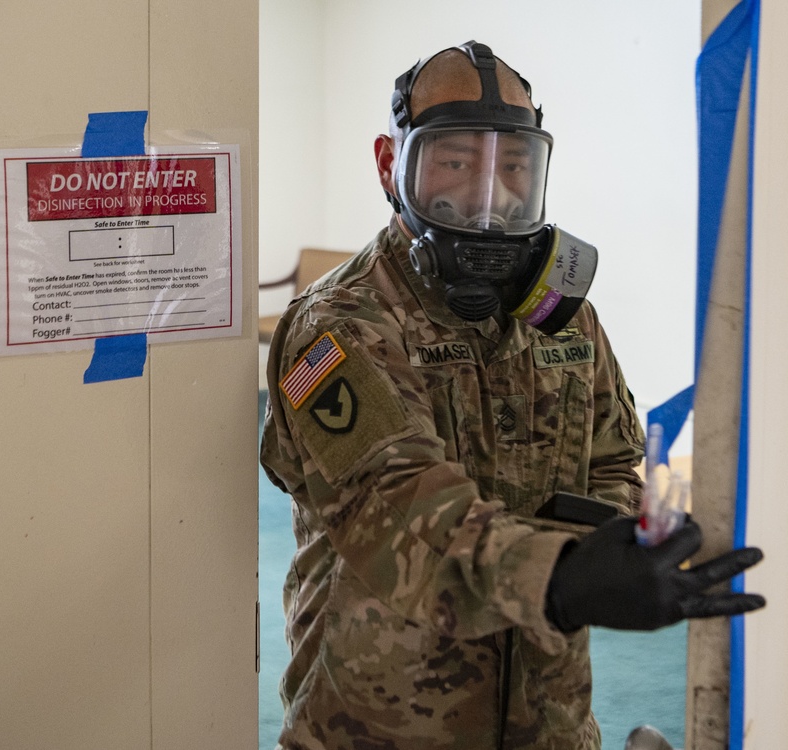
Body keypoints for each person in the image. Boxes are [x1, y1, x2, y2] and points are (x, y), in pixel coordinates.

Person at [260, 41, 765, 750]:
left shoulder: (564, 315)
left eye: (515, 165)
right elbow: (398, 511)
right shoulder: (336, 328)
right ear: (390, 164)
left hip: (547, 719)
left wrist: (616, 545)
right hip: (381, 724)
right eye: (457, 162)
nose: (489, 197)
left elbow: (617, 458)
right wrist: (563, 578)